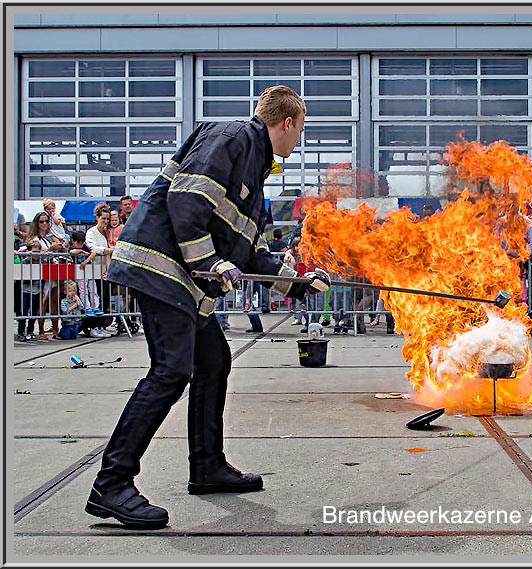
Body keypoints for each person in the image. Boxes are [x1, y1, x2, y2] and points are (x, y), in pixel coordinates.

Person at [85, 85, 328, 530]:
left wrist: (296, 283)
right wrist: (210, 261)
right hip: (160, 269)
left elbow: (250, 251)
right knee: (172, 370)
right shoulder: (232, 137)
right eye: (300, 131)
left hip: (184, 283)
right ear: (288, 122)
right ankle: (112, 484)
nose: (298, 141)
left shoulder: (255, 174)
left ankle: (207, 467)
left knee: (213, 361)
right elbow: (185, 201)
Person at [27, 211, 66, 340]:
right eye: (41, 221)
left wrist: (59, 247)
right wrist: (50, 249)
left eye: (46, 221)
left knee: (55, 301)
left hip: (53, 271)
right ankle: (41, 331)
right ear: (36, 223)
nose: (44, 224)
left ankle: (55, 329)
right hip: (41, 274)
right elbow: (34, 255)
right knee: (42, 302)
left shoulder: (49, 237)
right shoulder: (34, 238)